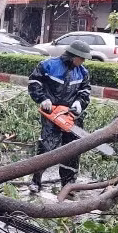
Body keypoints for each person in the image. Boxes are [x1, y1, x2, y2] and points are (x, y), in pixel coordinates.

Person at [27, 40, 93, 194]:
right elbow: (34, 82)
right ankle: (36, 181)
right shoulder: (48, 65)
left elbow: (85, 92)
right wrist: (43, 99)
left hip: (71, 117)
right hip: (52, 114)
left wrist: (79, 103)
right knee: (46, 147)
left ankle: (68, 184)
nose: (83, 61)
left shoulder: (82, 72)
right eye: (81, 58)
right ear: (73, 56)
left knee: (72, 151)